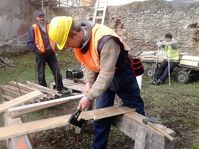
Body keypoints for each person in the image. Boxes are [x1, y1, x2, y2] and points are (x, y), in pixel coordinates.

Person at [49, 16, 145, 149]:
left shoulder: (106, 40)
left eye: (66, 43)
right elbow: (85, 62)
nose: (67, 47)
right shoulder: (80, 42)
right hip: (102, 75)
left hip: (122, 75)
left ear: (75, 34)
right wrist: (89, 83)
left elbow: (106, 75)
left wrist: (89, 96)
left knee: (137, 110)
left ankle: (144, 140)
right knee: (99, 116)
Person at [27, 12, 67, 94]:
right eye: (40, 17)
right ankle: (44, 91)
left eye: (43, 16)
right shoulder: (33, 28)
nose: (42, 18)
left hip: (51, 53)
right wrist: (37, 51)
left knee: (56, 71)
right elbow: (30, 43)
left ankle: (60, 88)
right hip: (40, 54)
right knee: (41, 74)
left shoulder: (49, 26)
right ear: (37, 18)